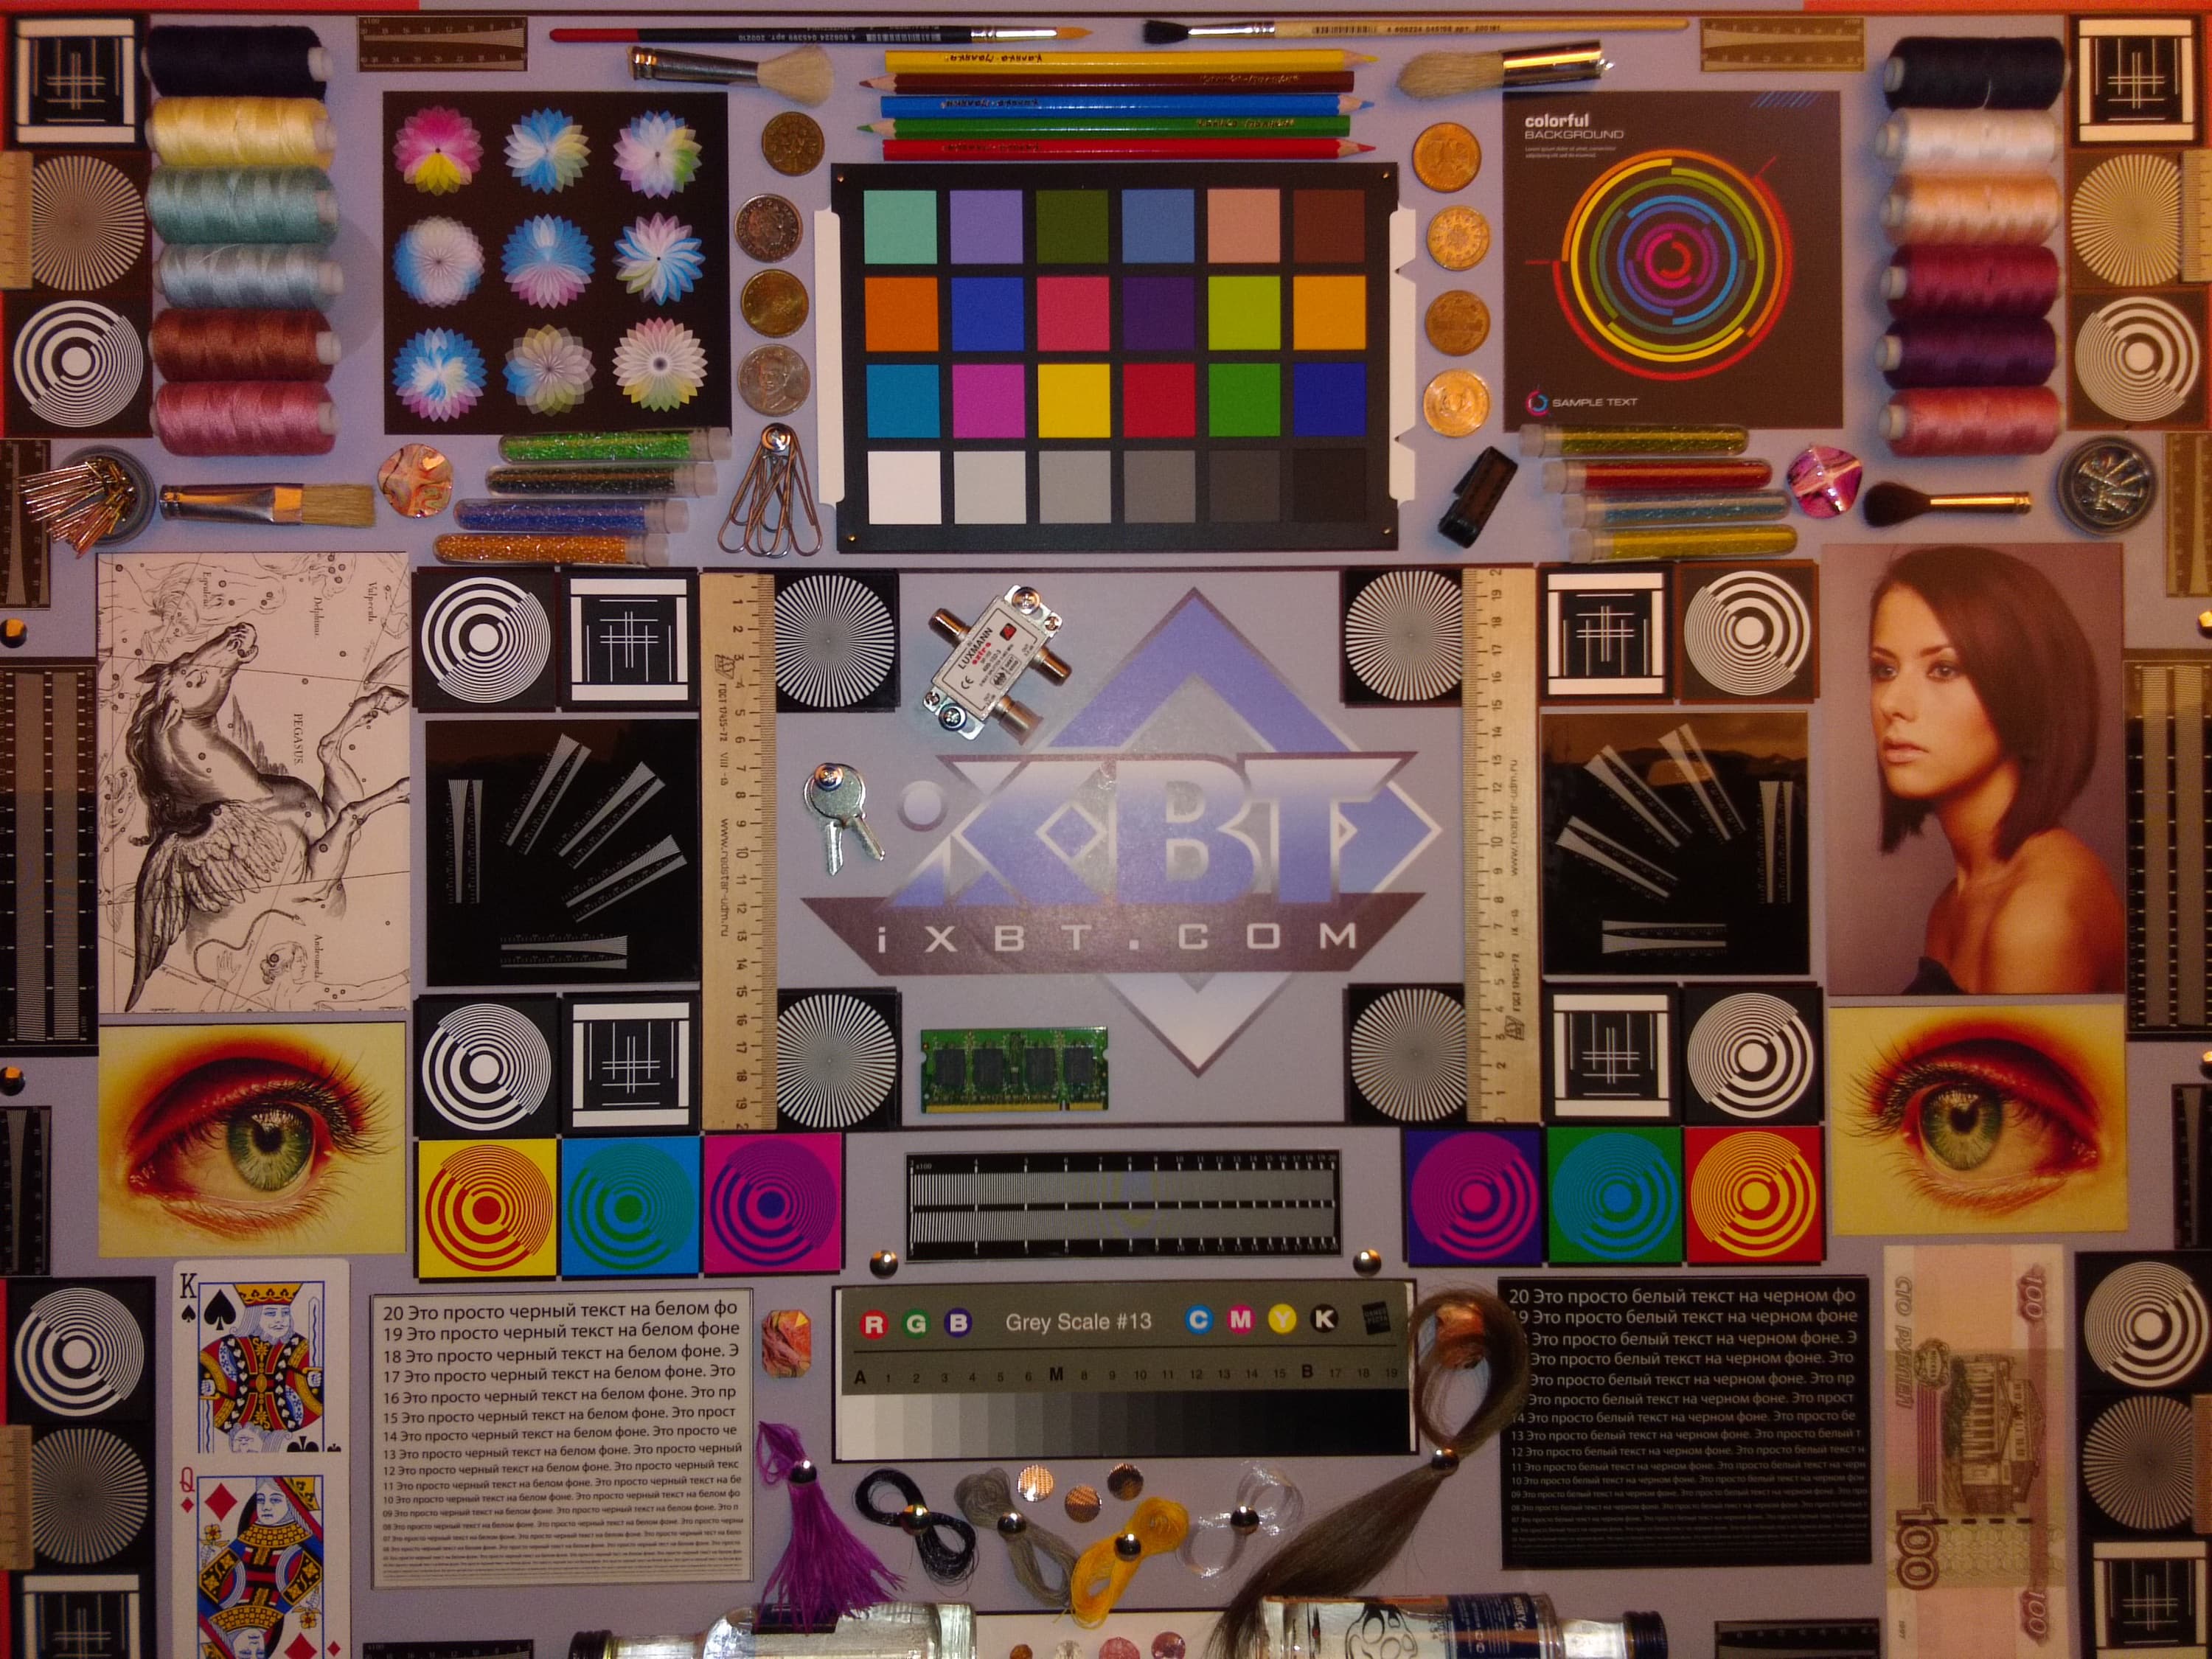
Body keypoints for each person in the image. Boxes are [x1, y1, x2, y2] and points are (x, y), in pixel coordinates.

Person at [1867, 545, 2123, 995]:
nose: (1892, 703)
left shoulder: (2037, 915)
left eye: (1944, 669)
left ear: (2024, 687)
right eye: (1885, 669)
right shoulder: (1957, 900)